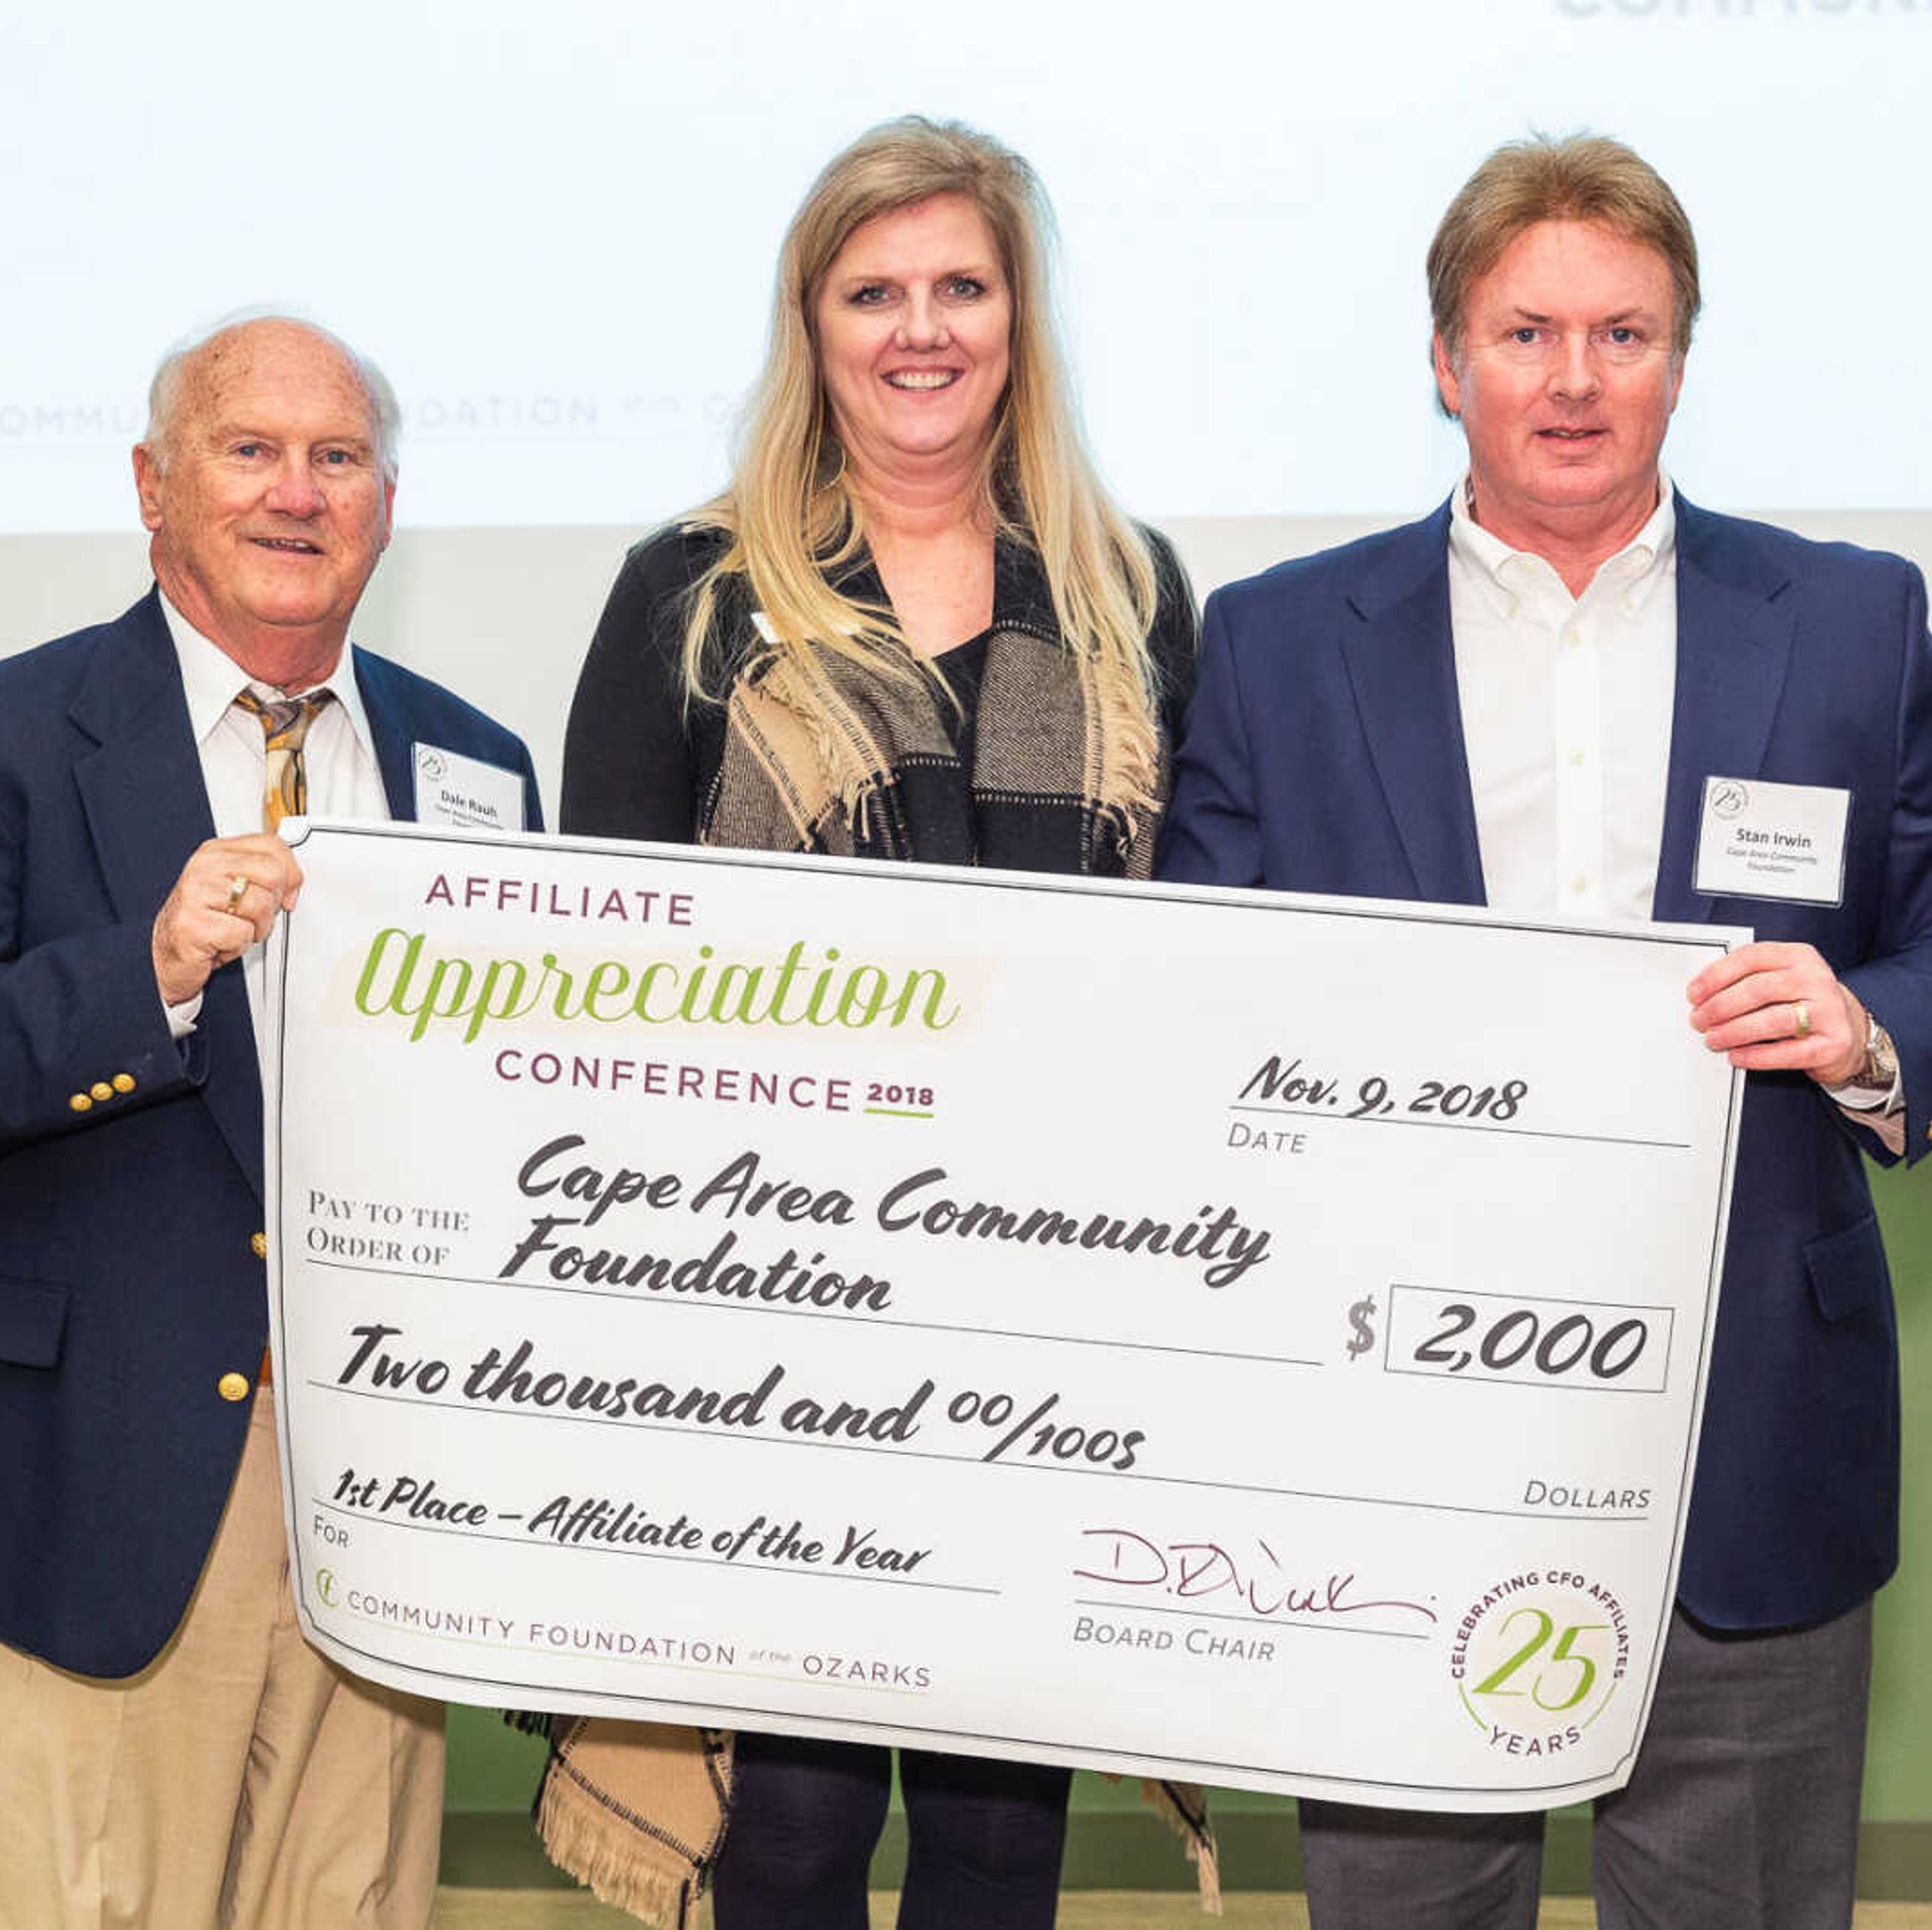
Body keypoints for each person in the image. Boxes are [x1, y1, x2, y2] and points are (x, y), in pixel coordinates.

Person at [1158, 135, 1932, 1928]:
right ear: (1446, 364)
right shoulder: (1279, 645)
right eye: (1526, 334)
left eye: (1625, 333)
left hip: (1746, 1422)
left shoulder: (1842, 622)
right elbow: (1209, 987)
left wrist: (1863, 1016)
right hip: (1388, 1443)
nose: (1575, 380)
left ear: (1681, 356)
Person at [550, 117, 1207, 1929]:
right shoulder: (687, 593)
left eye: (962, 287)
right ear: (813, 322)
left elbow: (1206, 956)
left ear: (1018, 318)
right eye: (875, 291)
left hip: (1052, 1308)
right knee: (794, 1832)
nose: (921, 329)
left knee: (1004, 1837)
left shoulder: (1128, 593)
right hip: (775, 1316)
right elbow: (590, 965)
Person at [0, 314, 540, 1929]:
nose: (299, 493)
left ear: (388, 503)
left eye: (339, 457)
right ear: (154, 486)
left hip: (378, 1491)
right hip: (93, 1473)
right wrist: (143, 969)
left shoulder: (475, 766)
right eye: (251, 450)